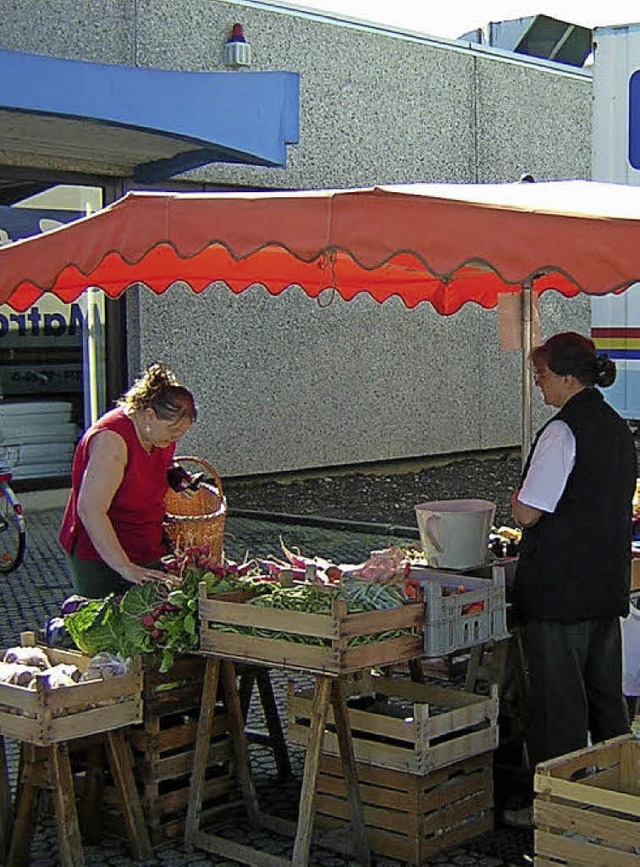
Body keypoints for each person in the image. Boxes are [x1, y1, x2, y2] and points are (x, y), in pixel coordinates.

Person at [511, 332, 636, 774]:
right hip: (605, 582)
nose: (539, 383)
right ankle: (616, 793)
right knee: (606, 698)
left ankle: (561, 806)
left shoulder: (563, 431)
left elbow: (528, 512)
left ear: (566, 378)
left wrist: (514, 499)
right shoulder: (618, 428)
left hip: (560, 591)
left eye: (542, 375)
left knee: (559, 704)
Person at [60, 363, 197, 597]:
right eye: (173, 431)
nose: (176, 438)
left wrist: (176, 476)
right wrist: (125, 567)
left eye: (181, 433)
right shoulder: (111, 441)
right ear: (149, 415)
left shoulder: (155, 432)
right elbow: (90, 510)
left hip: (147, 541)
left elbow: (161, 461)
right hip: (102, 551)